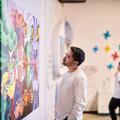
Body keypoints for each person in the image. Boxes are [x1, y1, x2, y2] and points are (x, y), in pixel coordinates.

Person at [55, 46, 87, 120]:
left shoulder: (80, 78)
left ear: (75, 63)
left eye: (68, 56)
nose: (65, 57)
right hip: (60, 116)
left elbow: (80, 103)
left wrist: (70, 118)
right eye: (66, 54)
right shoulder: (66, 74)